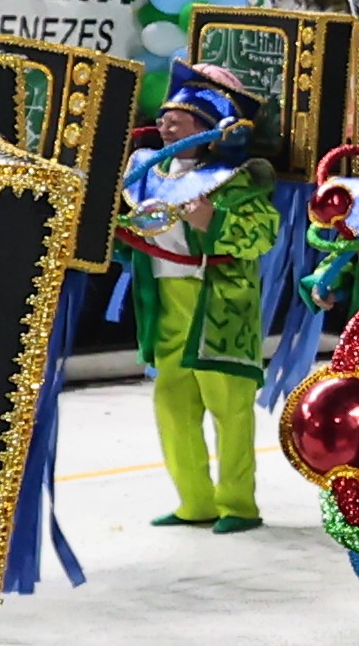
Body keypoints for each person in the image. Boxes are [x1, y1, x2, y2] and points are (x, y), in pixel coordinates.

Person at [125, 61, 292, 530]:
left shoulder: (237, 177)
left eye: (178, 119)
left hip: (220, 303)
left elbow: (263, 234)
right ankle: (194, 500)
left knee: (229, 405)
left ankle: (238, 504)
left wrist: (213, 222)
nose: (165, 125)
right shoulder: (146, 172)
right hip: (166, 297)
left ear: (207, 127)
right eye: (164, 117)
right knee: (172, 403)